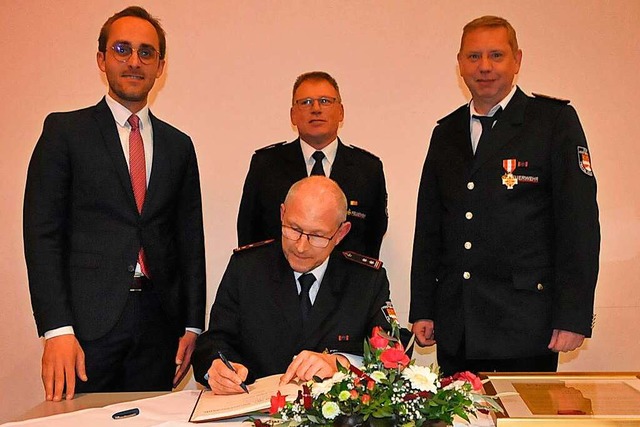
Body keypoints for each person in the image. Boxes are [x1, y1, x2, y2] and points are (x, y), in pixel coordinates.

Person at [23, 6, 206, 400]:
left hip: (161, 325)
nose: (134, 61)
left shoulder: (179, 146)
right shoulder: (64, 132)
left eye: (146, 52)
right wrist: (56, 329)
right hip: (85, 330)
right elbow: (42, 236)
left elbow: (190, 239)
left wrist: (193, 325)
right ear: (101, 59)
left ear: (160, 66)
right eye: (122, 49)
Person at [409, 16, 600, 376]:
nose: (484, 67)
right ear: (460, 64)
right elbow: (430, 226)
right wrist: (423, 306)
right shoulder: (446, 132)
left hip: (526, 324)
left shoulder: (552, 122)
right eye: (473, 57)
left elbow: (579, 225)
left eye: (496, 55)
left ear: (517, 60)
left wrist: (573, 315)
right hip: (458, 322)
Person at [193, 176, 394, 394]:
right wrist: (216, 368)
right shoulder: (247, 269)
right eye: (294, 229)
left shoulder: (365, 280)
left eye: (317, 235)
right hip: (257, 412)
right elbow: (214, 341)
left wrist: (341, 363)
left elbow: (393, 349)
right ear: (282, 214)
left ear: (340, 233)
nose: (300, 246)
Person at [237, 71, 388, 258]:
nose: (316, 109)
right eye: (306, 102)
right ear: (293, 115)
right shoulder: (266, 165)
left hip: (345, 284)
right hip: (277, 282)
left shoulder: (368, 169)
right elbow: (249, 234)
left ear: (341, 112)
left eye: (325, 101)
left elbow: (373, 237)